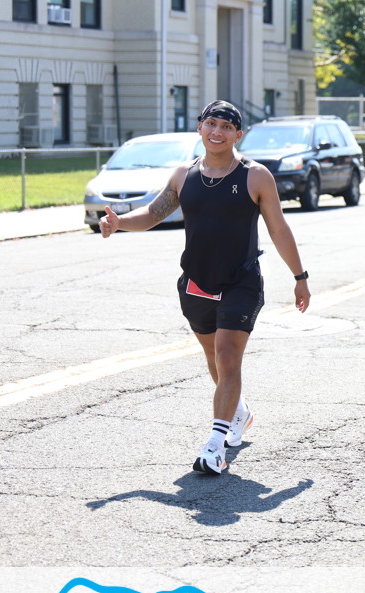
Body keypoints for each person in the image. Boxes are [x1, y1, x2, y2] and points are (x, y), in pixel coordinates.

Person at [100, 100, 310, 474]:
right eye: (211, 123)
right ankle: (238, 411)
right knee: (214, 358)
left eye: (226, 127)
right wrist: (120, 223)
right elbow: (153, 214)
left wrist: (300, 277)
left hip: (241, 281)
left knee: (228, 355)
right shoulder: (184, 175)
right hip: (196, 283)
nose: (217, 132)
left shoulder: (255, 176)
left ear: (238, 135)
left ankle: (215, 446)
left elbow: (279, 229)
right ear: (200, 128)